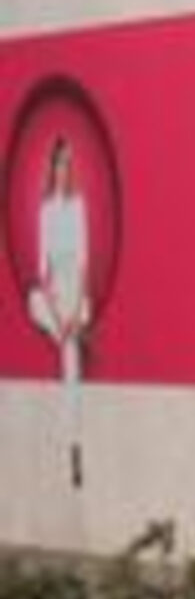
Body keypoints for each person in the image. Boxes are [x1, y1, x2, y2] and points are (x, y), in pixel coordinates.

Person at [24, 136, 92, 488]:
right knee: (33, 300)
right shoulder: (45, 211)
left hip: (75, 292)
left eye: (67, 162)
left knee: (71, 371)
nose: (62, 169)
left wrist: (74, 310)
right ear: (51, 168)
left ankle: (74, 447)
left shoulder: (78, 207)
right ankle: (68, 335)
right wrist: (57, 318)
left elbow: (83, 263)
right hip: (53, 296)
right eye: (58, 162)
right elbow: (42, 271)